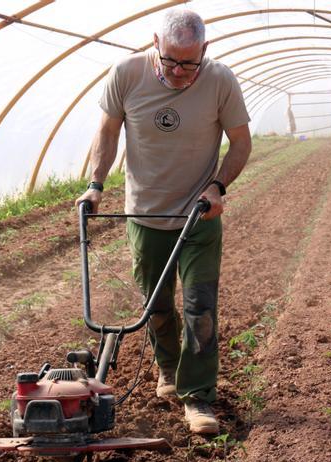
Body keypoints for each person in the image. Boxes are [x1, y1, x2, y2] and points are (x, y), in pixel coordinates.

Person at [76, 8, 251, 435]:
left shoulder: (220, 80)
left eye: (188, 63)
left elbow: (242, 143)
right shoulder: (127, 74)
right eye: (170, 60)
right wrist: (96, 184)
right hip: (145, 213)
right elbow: (107, 131)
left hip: (198, 216)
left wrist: (217, 187)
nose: (177, 71)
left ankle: (199, 398)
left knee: (200, 309)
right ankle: (169, 370)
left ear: (204, 51)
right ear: (156, 43)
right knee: (155, 307)